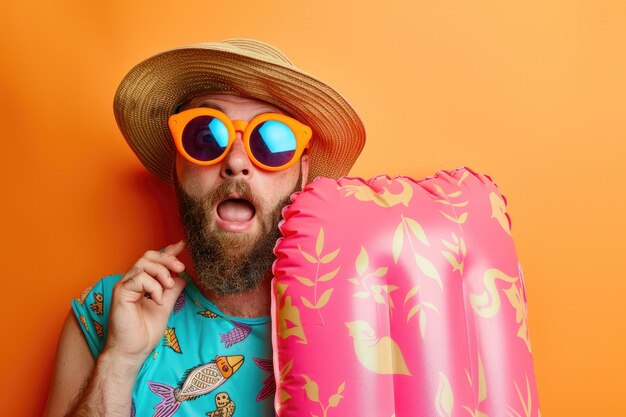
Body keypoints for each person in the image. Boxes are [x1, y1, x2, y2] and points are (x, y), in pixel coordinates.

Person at [44, 39, 366, 417]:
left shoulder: (352, 319)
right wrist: (120, 361)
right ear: (176, 163)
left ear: (303, 171)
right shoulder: (108, 310)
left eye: (271, 140)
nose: (235, 162)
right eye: (205, 135)